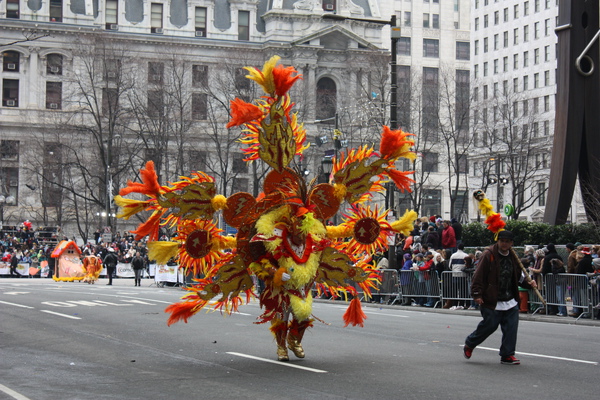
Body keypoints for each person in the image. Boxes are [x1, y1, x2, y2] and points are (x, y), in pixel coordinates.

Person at [463, 230, 537, 365]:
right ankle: (470, 343)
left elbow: (518, 276)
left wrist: (529, 283)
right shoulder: (489, 255)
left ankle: (507, 354)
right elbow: (478, 275)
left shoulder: (514, 256)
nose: (504, 244)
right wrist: (477, 294)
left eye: (507, 242)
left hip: (510, 299)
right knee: (489, 325)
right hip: (491, 298)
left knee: (511, 328)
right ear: (498, 241)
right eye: (502, 241)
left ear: (511, 243)